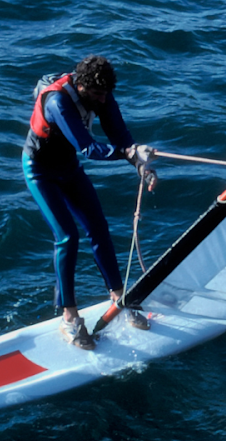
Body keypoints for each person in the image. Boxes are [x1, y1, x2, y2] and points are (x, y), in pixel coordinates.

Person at [22, 55, 157, 350]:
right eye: (97, 95)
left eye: (106, 94)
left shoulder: (101, 95)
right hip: (41, 171)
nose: (103, 100)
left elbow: (121, 136)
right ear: (81, 87)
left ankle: (119, 298)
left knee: (98, 226)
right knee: (67, 237)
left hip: (68, 168)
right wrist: (129, 154)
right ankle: (69, 318)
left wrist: (140, 164)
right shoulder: (58, 102)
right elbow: (89, 148)